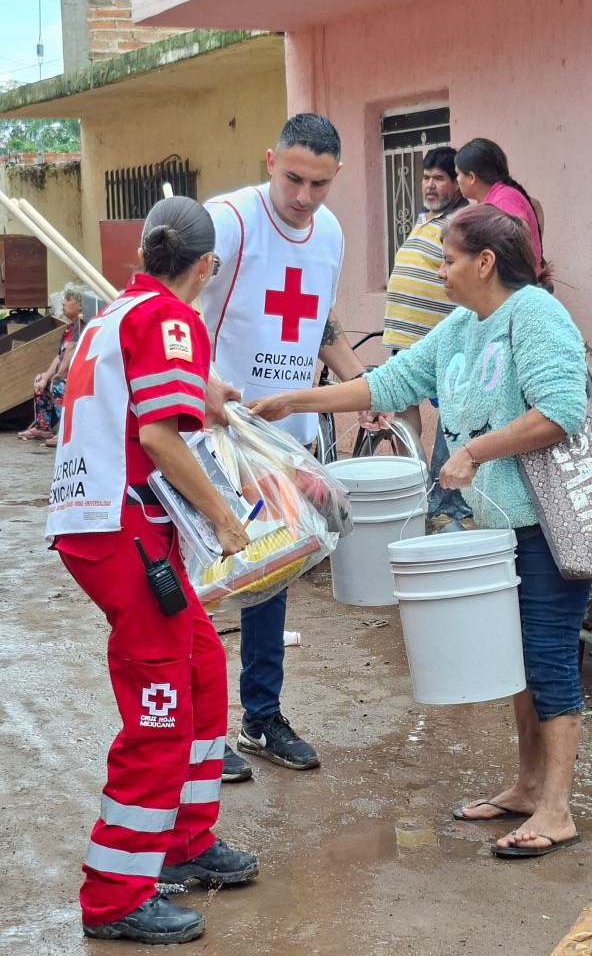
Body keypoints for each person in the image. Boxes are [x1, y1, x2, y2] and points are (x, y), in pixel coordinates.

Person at [247, 203, 592, 860]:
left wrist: (474, 450)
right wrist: (294, 399)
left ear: (484, 262)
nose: (440, 272)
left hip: (547, 524)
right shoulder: (463, 327)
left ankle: (556, 808)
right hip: (496, 529)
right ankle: (525, 786)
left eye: (447, 259)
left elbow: (560, 412)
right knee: (517, 662)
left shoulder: (536, 316)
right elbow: (387, 380)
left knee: (547, 661)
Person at [45, 197, 259, 945]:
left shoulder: (115, 315)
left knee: (200, 668)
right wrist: (230, 524)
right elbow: (160, 438)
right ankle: (115, 894)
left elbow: (138, 391)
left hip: (101, 526)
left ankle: (184, 840)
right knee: (161, 705)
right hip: (126, 529)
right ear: (206, 267)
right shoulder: (172, 321)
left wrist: (207, 390)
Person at [201, 113, 385, 780]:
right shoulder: (226, 220)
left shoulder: (328, 233)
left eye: (320, 184)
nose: (303, 197)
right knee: (205, 581)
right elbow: (171, 311)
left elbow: (316, 319)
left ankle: (261, 717)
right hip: (214, 437)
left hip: (287, 439)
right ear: (268, 157)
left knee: (267, 580)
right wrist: (204, 384)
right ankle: (198, 734)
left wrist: (359, 383)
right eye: (293, 178)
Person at [382, 146, 468, 438]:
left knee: (452, 406)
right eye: (426, 177)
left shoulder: (462, 220)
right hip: (403, 334)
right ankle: (412, 472)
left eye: (439, 178)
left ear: (456, 183)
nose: (430, 185)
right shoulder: (423, 217)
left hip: (438, 336)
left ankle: (447, 476)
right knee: (403, 402)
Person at [454, 138, 546, 275]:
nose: (457, 180)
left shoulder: (503, 200)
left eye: (458, 174)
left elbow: (519, 241)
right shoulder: (496, 197)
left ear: (471, 178)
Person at [17, 282, 87, 443]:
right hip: (65, 373)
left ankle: (65, 432)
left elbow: (71, 350)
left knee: (58, 384)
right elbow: (59, 356)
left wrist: (59, 375)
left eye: (68, 299)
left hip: (78, 377)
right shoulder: (69, 329)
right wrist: (47, 377)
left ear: (80, 306)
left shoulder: (81, 325)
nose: (63, 302)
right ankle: (44, 427)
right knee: (40, 379)